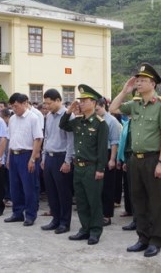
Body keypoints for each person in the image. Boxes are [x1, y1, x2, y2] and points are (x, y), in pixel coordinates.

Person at [110, 64, 161, 256]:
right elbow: (113, 108)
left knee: (155, 203)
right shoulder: (135, 104)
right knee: (138, 201)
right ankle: (142, 238)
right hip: (135, 160)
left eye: (143, 80)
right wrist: (124, 91)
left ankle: (155, 241)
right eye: (137, 80)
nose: (138, 83)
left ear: (153, 83)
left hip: (153, 159)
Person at [60, 84, 109, 245]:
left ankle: (95, 231)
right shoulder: (78, 121)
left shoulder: (100, 123)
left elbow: (102, 149)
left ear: (94, 103)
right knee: (81, 200)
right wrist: (68, 111)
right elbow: (63, 125)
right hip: (78, 166)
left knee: (93, 201)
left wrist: (100, 169)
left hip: (92, 167)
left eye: (84, 100)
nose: (80, 102)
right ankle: (84, 228)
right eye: (79, 100)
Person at [4, 93, 44, 226]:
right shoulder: (12, 119)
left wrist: (33, 159)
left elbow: (38, 139)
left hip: (27, 155)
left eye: (16, 106)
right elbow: (11, 139)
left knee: (29, 187)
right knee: (15, 186)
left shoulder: (33, 118)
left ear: (24, 104)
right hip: (14, 155)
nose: (14, 109)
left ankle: (30, 215)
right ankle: (17, 213)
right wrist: (9, 157)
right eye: (12, 107)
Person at [40, 89, 74, 234]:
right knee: (51, 191)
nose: (47, 106)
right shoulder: (48, 116)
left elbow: (71, 140)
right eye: (45, 103)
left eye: (49, 103)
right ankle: (55, 219)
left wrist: (67, 161)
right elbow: (46, 137)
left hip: (61, 157)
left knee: (63, 192)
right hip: (49, 157)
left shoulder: (68, 115)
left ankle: (65, 223)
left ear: (58, 100)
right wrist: (43, 157)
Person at [95, 98, 122, 227]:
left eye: (98, 109)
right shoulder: (93, 119)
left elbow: (114, 142)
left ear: (103, 106)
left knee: (107, 187)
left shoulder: (112, 121)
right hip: (95, 154)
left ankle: (107, 215)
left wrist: (112, 159)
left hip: (108, 153)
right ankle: (97, 213)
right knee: (97, 187)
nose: (96, 112)